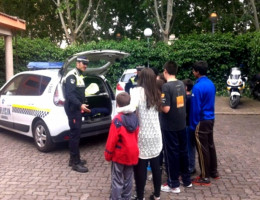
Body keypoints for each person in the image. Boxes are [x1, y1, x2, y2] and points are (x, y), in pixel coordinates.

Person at [117, 68, 162, 200]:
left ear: (141, 78)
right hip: (156, 135)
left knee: (140, 168)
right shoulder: (157, 92)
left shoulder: (137, 92)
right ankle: (157, 195)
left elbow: (131, 108)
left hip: (142, 136)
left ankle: (140, 196)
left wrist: (119, 109)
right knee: (155, 166)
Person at [160, 61, 192, 194]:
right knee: (183, 151)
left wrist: (158, 104)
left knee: (171, 154)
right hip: (181, 124)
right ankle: (186, 180)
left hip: (170, 126)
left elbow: (166, 109)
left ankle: (173, 184)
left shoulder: (166, 87)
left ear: (165, 71)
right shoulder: (181, 84)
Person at [104, 92, 139, 200]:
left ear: (117, 105)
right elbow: (136, 136)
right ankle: (126, 198)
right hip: (132, 153)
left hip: (120, 154)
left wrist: (108, 154)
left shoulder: (117, 120)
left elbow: (112, 140)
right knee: (128, 179)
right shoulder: (135, 118)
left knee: (117, 179)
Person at [190, 61, 219, 186]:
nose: (193, 72)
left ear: (197, 72)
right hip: (210, 119)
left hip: (201, 120)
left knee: (202, 148)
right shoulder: (211, 84)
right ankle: (213, 171)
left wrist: (193, 124)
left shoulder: (197, 87)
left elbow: (195, 108)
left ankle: (205, 176)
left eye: (193, 70)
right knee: (210, 145)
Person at [64, 56, 90, 173]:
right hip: (73, 109)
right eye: (83, 63)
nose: (85, 65)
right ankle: (75, 163)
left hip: (76, 108)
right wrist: (80, 105)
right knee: (75, 135)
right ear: (77, 63)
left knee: (75, 134)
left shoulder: (78, 75)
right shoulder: (72, 76)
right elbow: (70, 95)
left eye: (86, 64)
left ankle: (72, 159)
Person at [182, 79, 196, 175]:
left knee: (188, 146)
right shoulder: (192, 97)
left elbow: (184, 113)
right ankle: (191, 165)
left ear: (185, 88)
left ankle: (190, 167)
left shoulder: (186, 99)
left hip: (187, 124)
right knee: (191, 146)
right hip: (191, 124)